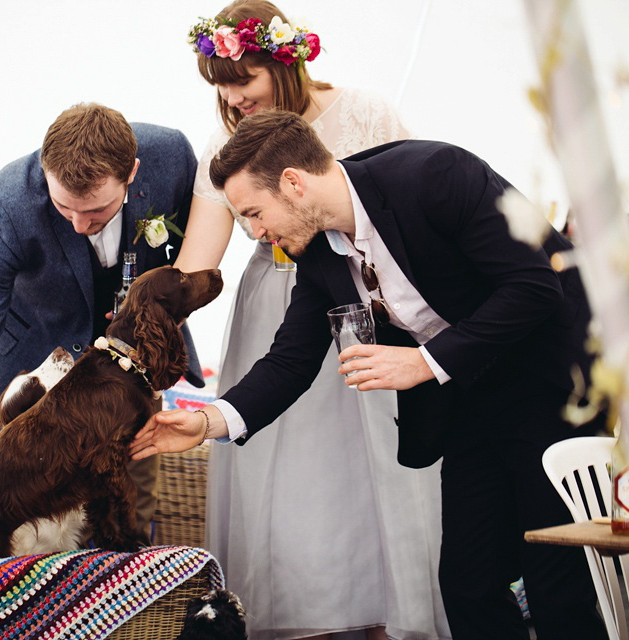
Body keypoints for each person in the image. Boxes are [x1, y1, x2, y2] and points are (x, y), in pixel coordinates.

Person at [132, 109, 608, 640]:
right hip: (471, 403)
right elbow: (291, 358)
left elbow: (535, 287)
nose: (254, 232)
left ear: (293, 184)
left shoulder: (436, 174)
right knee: (467, 584)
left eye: (254, 212)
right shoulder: (317, 252)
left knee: (555, 585)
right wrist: (210, 422)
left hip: (553, 385)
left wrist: (422, 362)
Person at [175, 3, 447, 639]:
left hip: (369, 308)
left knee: (381, 462)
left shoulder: (367, 113)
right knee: (293, 476)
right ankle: (305, 622)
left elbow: (404, 207)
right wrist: (142, 319)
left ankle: (395, 614)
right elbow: (199, 264)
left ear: (284, 61)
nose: (232, 97)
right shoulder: (227, 145)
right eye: (220, 84)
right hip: (278, 313)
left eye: (243, 79)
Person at [0, 103, 205, 538]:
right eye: (63, 208)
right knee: (20, 537)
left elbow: (191, 260)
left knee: (127, 516)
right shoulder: (8, 202)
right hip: (36, 391)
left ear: (133, 173)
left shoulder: (172, 157)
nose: (77, 225)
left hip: (129, 385)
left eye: (96, 211)